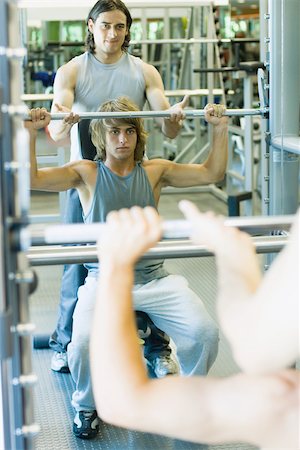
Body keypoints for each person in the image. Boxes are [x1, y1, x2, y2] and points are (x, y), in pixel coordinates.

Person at [25, 96, 227, 439]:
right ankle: (86, 405)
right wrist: (30, 133)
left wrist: (220, 129)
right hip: (104, 280)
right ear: (101, 138)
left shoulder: (154, 171)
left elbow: (212, 172)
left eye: (129, 131)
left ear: (138, 135)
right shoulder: (86, 173)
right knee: (82, 343)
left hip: (154, 280)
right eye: (114, 132)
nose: (122, 139)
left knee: (204, 331)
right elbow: (33, 178)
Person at [47, 0, 190, 376]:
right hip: (86, 181)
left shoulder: (144, 71)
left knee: (143, 261)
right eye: (105, 26)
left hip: (132, 178)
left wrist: (172, 115)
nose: (112, 34)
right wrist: (61, 120)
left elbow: (166, 122)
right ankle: (65, 343)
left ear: (128, 30)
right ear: (91, 26)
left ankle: (156, 349)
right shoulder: (72, 70)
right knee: (75, 265)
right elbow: (55, 127)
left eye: (120, 27)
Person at [90, 203, 299, 450]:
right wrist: (233, 256)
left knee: (204, 331)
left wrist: (116, 267)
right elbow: (257, 345)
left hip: (154, 281)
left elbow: (124, 402)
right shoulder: (283, 404)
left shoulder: (282, 405)